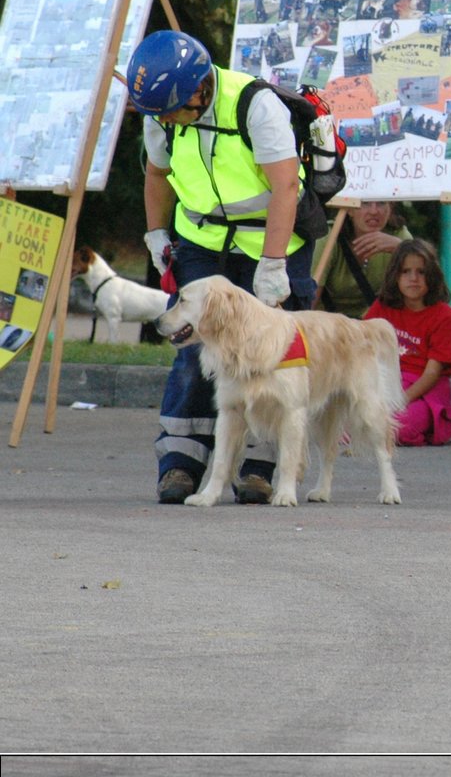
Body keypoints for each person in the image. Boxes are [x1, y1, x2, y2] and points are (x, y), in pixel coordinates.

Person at [131, 30, 315, 505]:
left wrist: (274, 265)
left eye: (171, 110)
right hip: (201, 242)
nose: (165, 120)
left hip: (267, 243)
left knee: (269, 354)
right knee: (192, 349)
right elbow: (157, 174)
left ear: (200, 90)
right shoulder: (163, 113)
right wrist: (156, 233)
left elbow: (285, 188)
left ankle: (258, 467)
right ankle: (180, 463)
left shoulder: (255, 105)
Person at [362, 239, 451, 447]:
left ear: (432, 276)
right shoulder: (382, 307)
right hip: (387, 382)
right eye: (406, 272)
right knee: (350, 419)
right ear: (395, 276)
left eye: (421, 272)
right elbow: (364, 351)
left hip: (424, 391)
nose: (413, 279)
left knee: (401, 426)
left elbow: (431, 374)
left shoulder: (444, 316)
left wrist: (399, 401)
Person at [315, 200, 412, 316]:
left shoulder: (399, 235)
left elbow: (423, 284)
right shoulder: (329, 238)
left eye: (381, 203)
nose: (374, 211)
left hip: (377, 325)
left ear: (390, 207)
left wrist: (400, 249)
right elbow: (311, 297)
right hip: (327, 324)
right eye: (365, 203)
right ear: (350, 210)